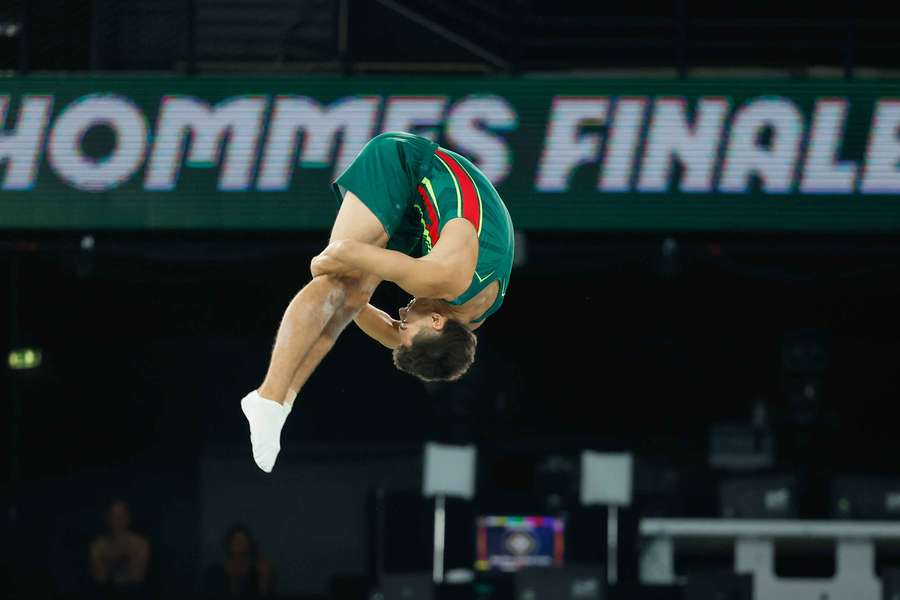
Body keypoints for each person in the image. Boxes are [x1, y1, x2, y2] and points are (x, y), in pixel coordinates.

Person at [241, 131, 515, 472]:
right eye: (405, 320)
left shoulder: (463, 322)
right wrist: (328, 271)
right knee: (341, 284)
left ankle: (285, 400)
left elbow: (388, 330)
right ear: (436, 322)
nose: (400, 311)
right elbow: (342, 254)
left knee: (352, 294)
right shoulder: (441, 277)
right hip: (406, 164)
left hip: (426, 215)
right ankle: (268, 396)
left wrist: (367, 310)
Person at [88, 500, 151, 598]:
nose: (117, 520)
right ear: (107, 518)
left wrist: (110, 562)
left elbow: (137, 576)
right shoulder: (98, 546)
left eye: (121, 516)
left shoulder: (140, 544)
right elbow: (99, 577)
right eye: (113, 516)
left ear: (128, 518)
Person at [201, 525, 273, 599]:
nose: (240, 545)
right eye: (236, 541)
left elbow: (264, 594)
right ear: (229, 544)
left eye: (243, 541)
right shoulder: (215, 572)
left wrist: (264, 578)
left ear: (249, 545)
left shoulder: (256, 572)